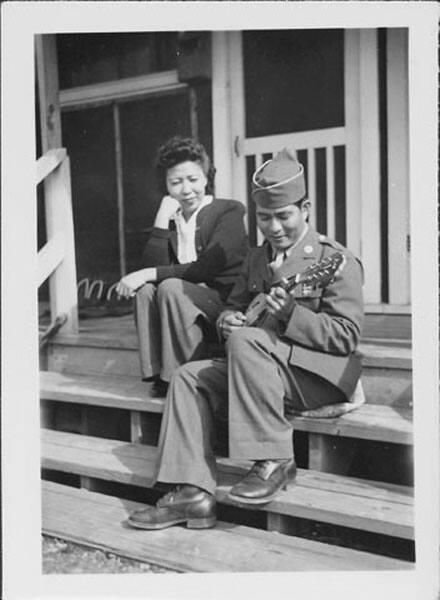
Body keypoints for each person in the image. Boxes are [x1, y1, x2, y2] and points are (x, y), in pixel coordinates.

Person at [126, 148, 364, 531]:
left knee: (246, 342)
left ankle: (275, 459)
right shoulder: (257, 258)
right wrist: (225, 320)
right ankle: (193, 493)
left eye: (283, 216)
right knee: (188, 376)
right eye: (265, 218)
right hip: (260, 368)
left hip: (315, 376)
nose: (273, 227)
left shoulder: (333, 259)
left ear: (305, 209)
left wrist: (291, 315)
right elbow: (232, 306)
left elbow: (347, 336)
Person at [116, 136, 248, 396]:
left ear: (206, 178)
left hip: (224, 304)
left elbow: (205, 268)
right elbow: (152, 272)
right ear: (166, 186)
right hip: (179, 303)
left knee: (172, 286)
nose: (186, 189)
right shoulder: (172, 217)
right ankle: (160, 376)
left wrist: (145, 273)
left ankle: (184, 377)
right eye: (175, 182)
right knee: (146, 291)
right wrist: (161, 220)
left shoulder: (228, 211)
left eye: (193, 180)